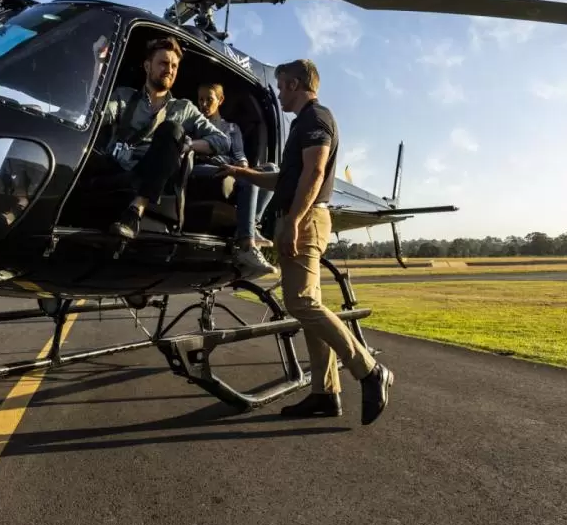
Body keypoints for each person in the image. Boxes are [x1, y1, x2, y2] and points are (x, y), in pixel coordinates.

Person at [217, 59, 394, 425]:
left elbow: (314, 171)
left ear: (295, 84)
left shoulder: (316, 118)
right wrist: (242, 172)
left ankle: (370, 370)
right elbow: (287, 179)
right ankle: (325, 393)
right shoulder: (303, 123)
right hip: (303, 216)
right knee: (308, 306)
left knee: (301, 303)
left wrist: (293, 221)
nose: (278, 93)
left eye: (281, 86)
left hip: (306, 219)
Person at [100, 36, 230, 239]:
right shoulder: (124, 96)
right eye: (163, 63)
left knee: (172, 129)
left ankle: (135, 211)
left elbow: (223, 141)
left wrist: (187, 145)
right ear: (147, 66)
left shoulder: (184, 108)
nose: (170, 69)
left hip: (151, 173)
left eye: (174, 66)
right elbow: (99, 116)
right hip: (116, 166)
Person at [194, 82, 277, 279]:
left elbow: (240, 156)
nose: (204, 104)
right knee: (246, 177)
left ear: (220, 100)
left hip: (230, 168)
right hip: (206, 169)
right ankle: (246, 245)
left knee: (272, 170)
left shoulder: (231, 128)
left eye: (209, 100)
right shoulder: (194, 124)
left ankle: (249, 226)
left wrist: (241, 168)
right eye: (200, 100)